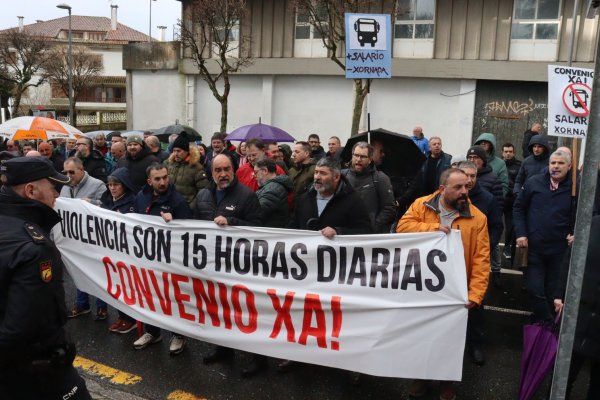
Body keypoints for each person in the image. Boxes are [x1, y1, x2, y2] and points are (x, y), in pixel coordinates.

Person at [0, 157, 91, 400]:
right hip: (36, 373)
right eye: (53, 188)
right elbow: (24, 328)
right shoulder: (34, 249)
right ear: (31, 190)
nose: (57, 195)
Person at [396, 168, 490, 400]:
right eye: (458, 187)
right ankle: (421, 376)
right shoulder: (421, 205)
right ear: (442, 189)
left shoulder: (478, 218)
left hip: (455, 292)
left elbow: (481, 260)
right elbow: (402, 228)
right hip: (423, 288)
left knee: (450, 340)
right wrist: (432, 229)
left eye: (466, 186)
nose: (464, 191)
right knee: (422, 336)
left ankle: (447, 382)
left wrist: (475, 295)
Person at [193, 154, 263, 376]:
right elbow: (192, 223)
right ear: (211, 172)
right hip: (213, 265)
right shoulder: (203, 195)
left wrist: (231, 222)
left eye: (227, 169)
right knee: (220, 309)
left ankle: (258, 358)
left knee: (248, 313)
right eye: (218, 170)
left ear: (234, 170)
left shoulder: (247, 196)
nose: (223, 174)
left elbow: (258, 229)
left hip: (240, 266)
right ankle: (223, 349)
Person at [132, 164, 192, 354]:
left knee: (173, 298)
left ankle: (178, 335)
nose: (163, 182)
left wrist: (174, 223)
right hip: (147, 257)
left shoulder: (178, 201)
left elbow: (189, 232)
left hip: (170, 260)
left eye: (165, 177)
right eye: (157, 179)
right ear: (149, 181)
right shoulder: (141, 197)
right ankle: (152, 332)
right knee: (149, 295)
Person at [513, 149, 575, 323]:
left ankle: (547, 329)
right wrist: (521, 233)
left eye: (561, 163)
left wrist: (577, 233)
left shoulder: (575, 188)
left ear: (569, 166)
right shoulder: (534, 182)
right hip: (534, 248)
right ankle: (548, 323)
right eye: (553, 163)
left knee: (553, 293)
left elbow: (585, 215)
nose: (556, 166)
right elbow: (518, 208)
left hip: (560, 251)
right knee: (534, 289)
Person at [553, 215, 600, 400]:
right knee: (563, 377)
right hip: (578, 317)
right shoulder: (592, 224)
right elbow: (570, 261)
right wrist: (560, 294)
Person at [60, 157, 108, 320]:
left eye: (71, 172)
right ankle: (82, 304)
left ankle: (101, 306)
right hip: (74, 237)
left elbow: (107, 206)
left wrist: (91, 202)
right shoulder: (65, 186)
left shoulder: (97, 184)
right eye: (65, 172)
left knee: (98, 273)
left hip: (94, 237)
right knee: (78, 270)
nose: (68, 176)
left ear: (82, 170)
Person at [99, 168, 137, 334]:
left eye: (116, 185)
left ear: (124, 185)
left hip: (126, 252)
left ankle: (131, 319)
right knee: (115, 285)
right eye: (110, 185)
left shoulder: (132, 202)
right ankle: (122, 316)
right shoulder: (106, 199)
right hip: (110, 249)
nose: (112, 188)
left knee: (127, 285)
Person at [342, 141, 396, 233]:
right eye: (356, 155)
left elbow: (389, 207)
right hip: (344, 232)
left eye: (363, 156)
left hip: (368, 235)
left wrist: (374, 226)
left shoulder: (380, 178)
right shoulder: (342, 175)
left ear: (370, 159)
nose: (358, 159)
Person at [164, 132, 208, 206]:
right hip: (169, 206)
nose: (175, 154)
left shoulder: (196, 168)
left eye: (178, 151)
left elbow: (203, 191)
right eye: (174, 151)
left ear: (186, 151)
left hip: (187, 208)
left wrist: (192, 206)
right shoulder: (169, 164)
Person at [255, 157, 293, 228]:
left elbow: (257, 212)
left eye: (256, 172)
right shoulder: (272, 186)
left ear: (265, 171)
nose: (254, 176)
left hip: (269, 231)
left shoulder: (272, 189)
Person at [502, 143, 522, 259]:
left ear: (514, 152)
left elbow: (520, 182)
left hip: (512, 200)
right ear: (502, 152)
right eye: (506, 151)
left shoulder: (519, 165)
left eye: (510, 151)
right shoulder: (499, 164)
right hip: (500, 199)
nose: (508, 154)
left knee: (511, 226)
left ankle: (508, 247)